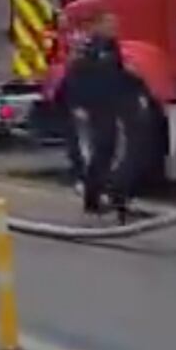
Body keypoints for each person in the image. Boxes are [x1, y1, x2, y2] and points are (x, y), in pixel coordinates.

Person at [63, 34, 147, 222]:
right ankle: (93, 199)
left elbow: (118, 73)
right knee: (102, 151)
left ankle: (118, 197)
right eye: (108, 22)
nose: (113, 25)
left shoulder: (111, 46)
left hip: (112, 104)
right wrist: (79, 105)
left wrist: (138, 87)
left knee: (122, 151)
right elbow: (75, 75)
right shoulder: (88, 48)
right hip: (97, 105)